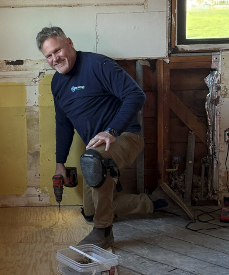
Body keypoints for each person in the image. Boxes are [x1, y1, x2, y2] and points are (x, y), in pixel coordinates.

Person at [37, 25, 179, 250]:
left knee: (94, 161)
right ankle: (155, 202)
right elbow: (63, 124)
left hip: (125, 136)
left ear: (70, 43)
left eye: (58, 50)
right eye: (49, 56)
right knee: (90, 212)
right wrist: (60, 164)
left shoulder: (98, 65)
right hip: (96, 149)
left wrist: (111, 130)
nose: (55, 59)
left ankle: (103, 232)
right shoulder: (57, 83)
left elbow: (136, 95)